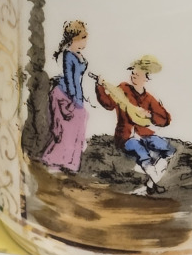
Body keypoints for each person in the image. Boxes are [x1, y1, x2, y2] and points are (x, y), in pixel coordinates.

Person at [92, 55, 175, 194]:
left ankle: (150, 183)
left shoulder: (149, 98)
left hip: (144, 134)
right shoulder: (123, 89)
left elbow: (165, 119)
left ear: (146, 78)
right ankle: (156, 181)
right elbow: (108, 104)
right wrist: (99, 86)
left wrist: (149, 115)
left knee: (169, 150)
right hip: (125, 135)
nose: (134, 76)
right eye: (133, 73)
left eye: (138, 74)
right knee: (142, 152)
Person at [40, 21, 89, 172]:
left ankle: (69, 162)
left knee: (79, 123)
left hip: (76, 95)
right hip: (65, 95)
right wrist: (73, 99)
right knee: (68, 129)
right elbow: (70, 79)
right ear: (74, 39)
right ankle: (56, 160)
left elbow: (78, 77)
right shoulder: (68, 55)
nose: (85, 42)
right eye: (83, 38)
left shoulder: (78, 55)